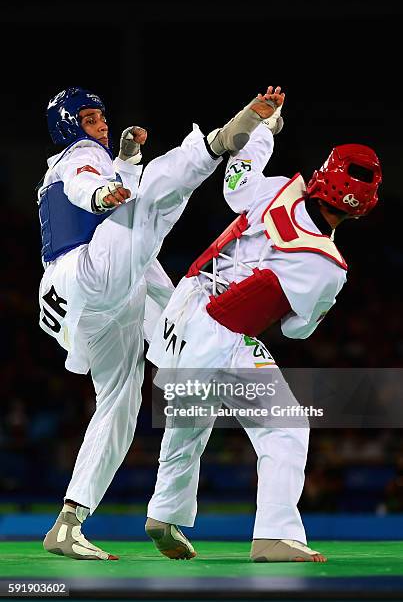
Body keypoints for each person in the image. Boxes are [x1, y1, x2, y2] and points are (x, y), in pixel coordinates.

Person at [38, 85, 283, 560]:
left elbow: (115, 191)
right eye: (90, 119)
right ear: (71, 127)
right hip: (87, 270)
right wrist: (108, 187)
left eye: (101, 118)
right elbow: (88, 183)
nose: (101, 126)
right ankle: (214, 145)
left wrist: (126, 164)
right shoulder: (78, 155)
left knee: (133, 397)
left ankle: (72, 520)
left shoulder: (96, 165)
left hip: (91, 296)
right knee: (150, 203)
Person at [144, 86, 382, 562]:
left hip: (182, 305)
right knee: (286, 426)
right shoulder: (326, 265)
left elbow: (236, 178)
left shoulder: (278, 189)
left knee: (193, 415)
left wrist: (262, 127)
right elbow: (298, 330)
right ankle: (274, 535)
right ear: (365, 204)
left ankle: (165, 511)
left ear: (322, 176)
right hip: (220, 330)